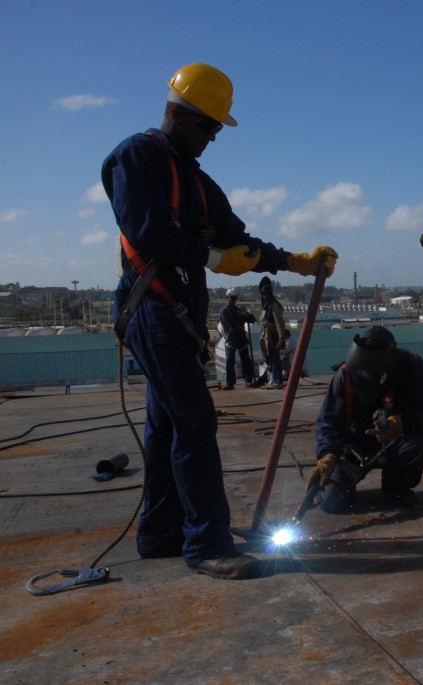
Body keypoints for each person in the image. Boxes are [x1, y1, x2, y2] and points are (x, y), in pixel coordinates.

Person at [101, 62, 338, 580]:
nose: (212, 137)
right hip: (152, 310)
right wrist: (211, 260)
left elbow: (237, 240)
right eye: (205, 126)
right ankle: (206, 542)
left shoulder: (200, 183)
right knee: (194, 421)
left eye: (215, 128)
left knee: (166, 427)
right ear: (174, 112)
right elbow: (148, 234)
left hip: (179, 318)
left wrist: (293, 260)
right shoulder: (136, 158)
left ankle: (161, 532)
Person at [305, 326, 423, 511]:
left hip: (396, 443)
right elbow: (330, 422)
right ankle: (339, 486)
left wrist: (399, 424)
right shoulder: (343, 376)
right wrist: (328, 454)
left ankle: (395, 488)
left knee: (422, 443)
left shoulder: (413, 367)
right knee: (332, 505)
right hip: (354, 446)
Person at [218, 288, 256, 389]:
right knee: (230, 360)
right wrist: (241, 317)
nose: (234, 300)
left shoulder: (238, 310)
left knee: (246, 360)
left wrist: (246, 314)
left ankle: (248, 380)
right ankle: (230, 382)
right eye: (232, 298)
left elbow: (252, 320)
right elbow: (231, 323)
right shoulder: (224, 311)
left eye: (235, 298)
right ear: (227, 298)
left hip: (241, 338)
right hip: (231, 338)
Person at [258, 277, 288, 389]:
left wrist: (281, 338)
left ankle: (277, 381)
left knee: (275, 358)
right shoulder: (267, 304)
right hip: (266, 335)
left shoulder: (274, 305)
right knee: (269, 358)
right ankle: (271, 380)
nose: (264, 296)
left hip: (273, 335)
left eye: (266, 294)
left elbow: (279, 323)